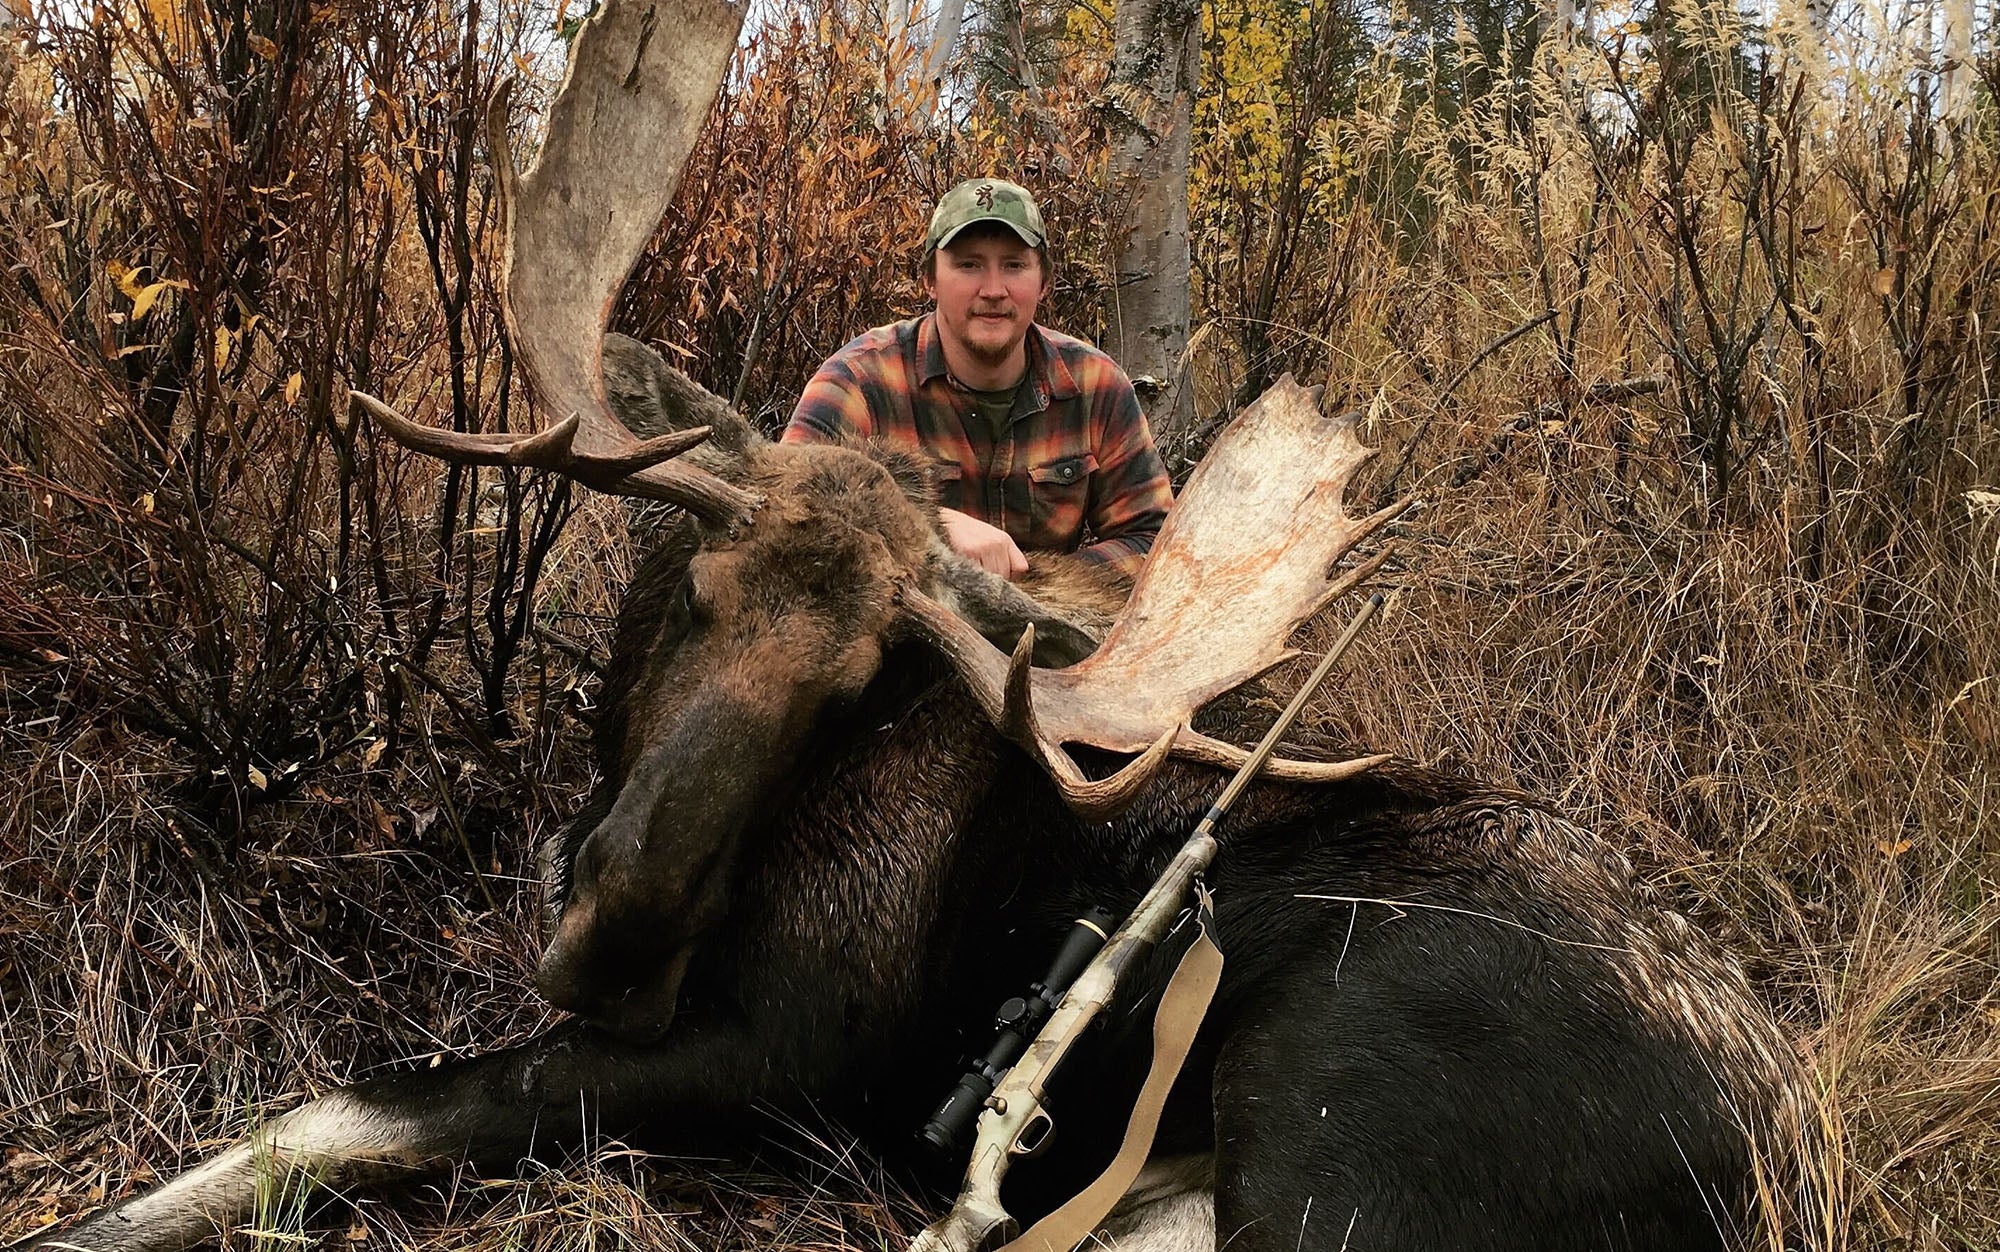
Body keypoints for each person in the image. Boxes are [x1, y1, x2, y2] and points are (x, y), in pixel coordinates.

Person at [782, 178, 1172, 580]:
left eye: (1014, 265)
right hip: (905, 631)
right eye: (969, 265)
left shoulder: (1095, 384)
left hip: (1053, 630)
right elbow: (786, 509)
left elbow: (1154, 540)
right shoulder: (860, 380)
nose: (993, 290)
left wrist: (1031, 587)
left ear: (1045, 283)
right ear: (929, 280)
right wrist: (932, 526)